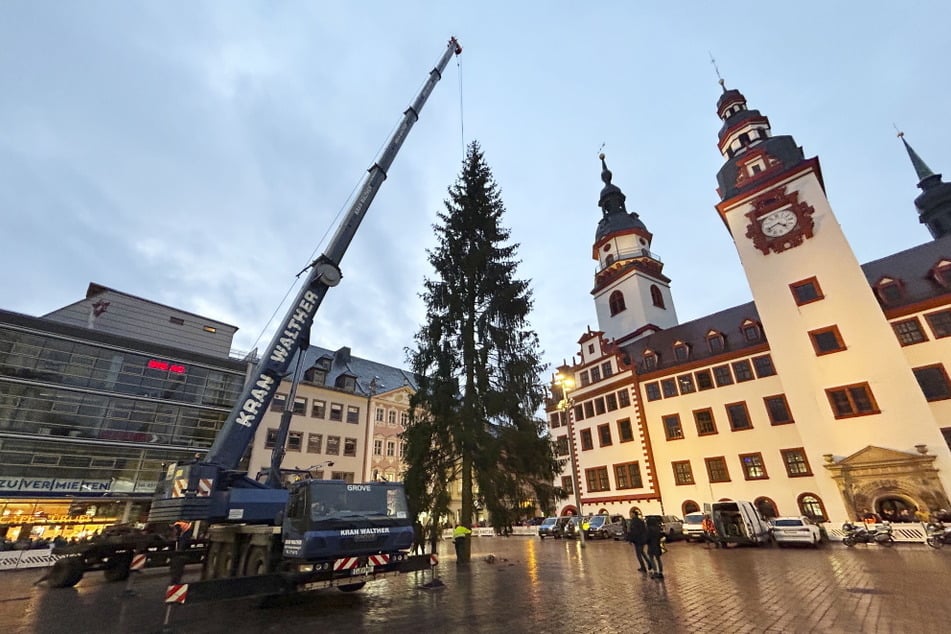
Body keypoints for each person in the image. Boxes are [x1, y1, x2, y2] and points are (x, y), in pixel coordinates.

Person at [645, 515, 665, 579]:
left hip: (651, 545)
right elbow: (661, 535)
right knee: (658, 559)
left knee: (652, 559)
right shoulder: (657, 528)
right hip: (657, 544)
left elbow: (647, 538)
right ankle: (660, 572)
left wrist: (646, 541)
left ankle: (655, 572)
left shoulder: (648, 529)